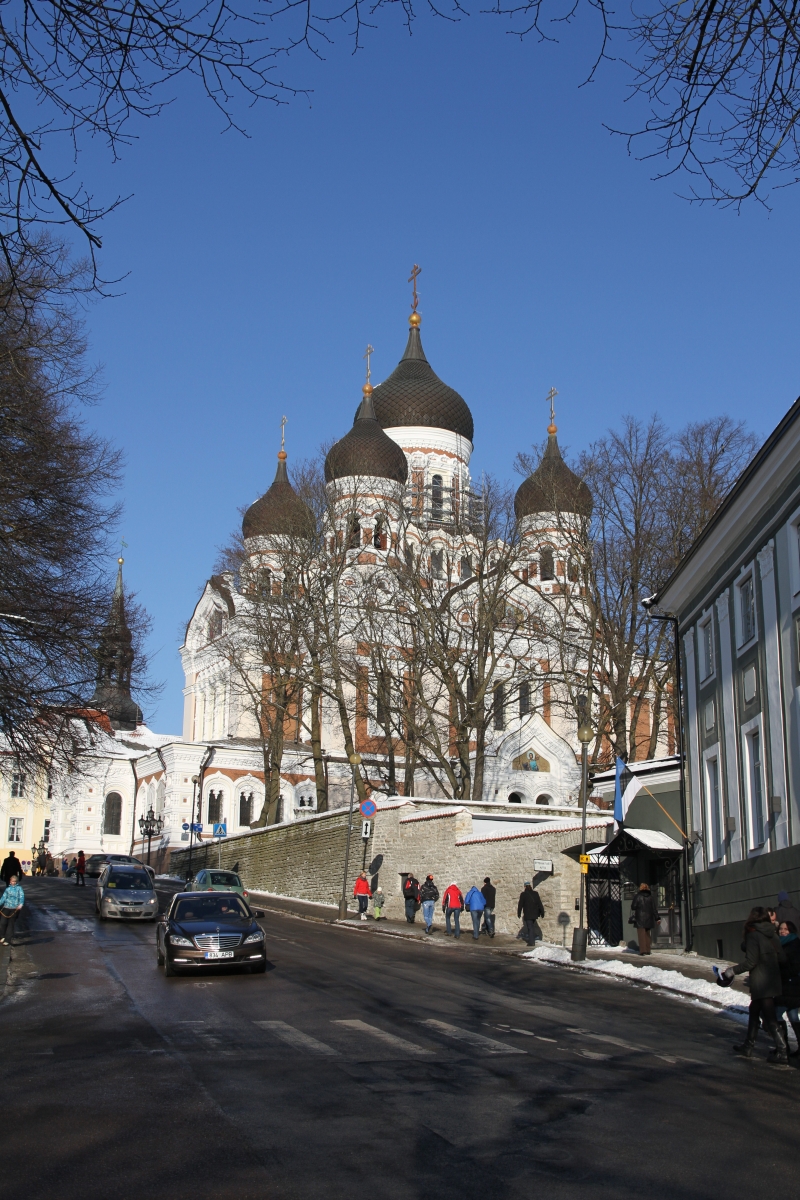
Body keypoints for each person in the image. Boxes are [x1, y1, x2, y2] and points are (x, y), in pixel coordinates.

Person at [717, 906, 788, 1064]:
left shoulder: (753, 935)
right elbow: (782, 958)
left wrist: (731, 971)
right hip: (773, 979)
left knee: (769, 1016)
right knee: (754, 1009)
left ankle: (782, 1051)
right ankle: (748, 1046)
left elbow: (750, 962)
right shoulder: (772, 933)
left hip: (761, 981)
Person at [776, 920, 800, 1057]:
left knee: (777, 1014)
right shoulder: (783, 943)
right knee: (792, 1015)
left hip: (790, 985)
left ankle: (783, 1048)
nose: (782, 931)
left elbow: (792, 966)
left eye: (785, 929)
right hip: (789, 986)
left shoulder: (793, 944)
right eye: (781, 929)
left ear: (791, 930)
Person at [629, 882, 659, 955]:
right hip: (649, 918)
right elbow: (654, 909)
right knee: (647, 934)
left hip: (640, 917)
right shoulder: (651, 897)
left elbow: (633, 907)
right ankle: (648, 950)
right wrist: (657, 918)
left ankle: (643, 951)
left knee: (641, 934)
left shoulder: (637, 896)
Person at [0, 874, 24, 944]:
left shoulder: (19, 889)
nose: (13, 882)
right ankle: (2, 936)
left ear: (16, 882)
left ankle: (7, 940)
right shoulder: (7, 889)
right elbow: (3, 898)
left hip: (14, 908)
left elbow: (21, 897)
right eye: (12, 881)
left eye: (14, 881)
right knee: (2, 922)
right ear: (10, 881)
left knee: (11, 924)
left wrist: (20, 904)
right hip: (6, 907)